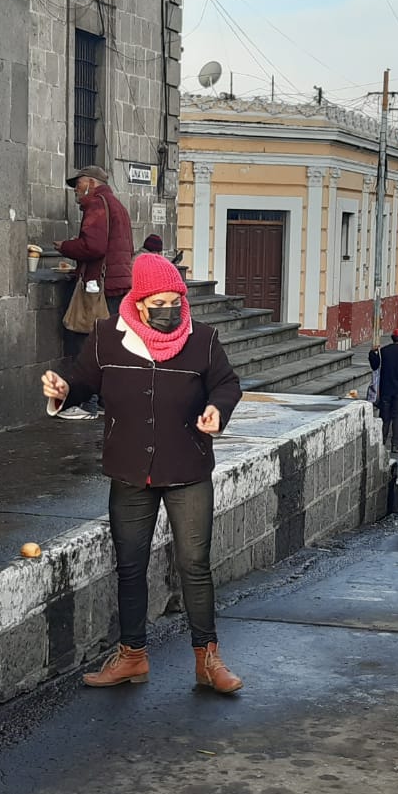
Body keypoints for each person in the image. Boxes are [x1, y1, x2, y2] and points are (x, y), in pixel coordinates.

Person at [40, 254, 245, 693]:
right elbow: (82, 383)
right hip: (130, 469)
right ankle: (132, 655)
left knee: (195, 564)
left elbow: (227, 383)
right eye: (159, 302)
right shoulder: (107, 338)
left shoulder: (202, 339)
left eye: (176, 300)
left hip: (187, 468)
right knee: (130, 565)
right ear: (138, 301)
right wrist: (62, 391)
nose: (169, 310)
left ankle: (207, 658)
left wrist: (217, 410)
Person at [53, 165, 134, 420]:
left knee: (87, 343)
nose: (76, 191)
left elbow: (94, 246)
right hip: (116, 283)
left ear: (90, 182)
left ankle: (86, 402)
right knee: (108, 344)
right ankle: (103, 401)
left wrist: (65, 246)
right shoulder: (115, 204)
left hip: (100, 286)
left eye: (77, 184)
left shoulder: (97, 204)